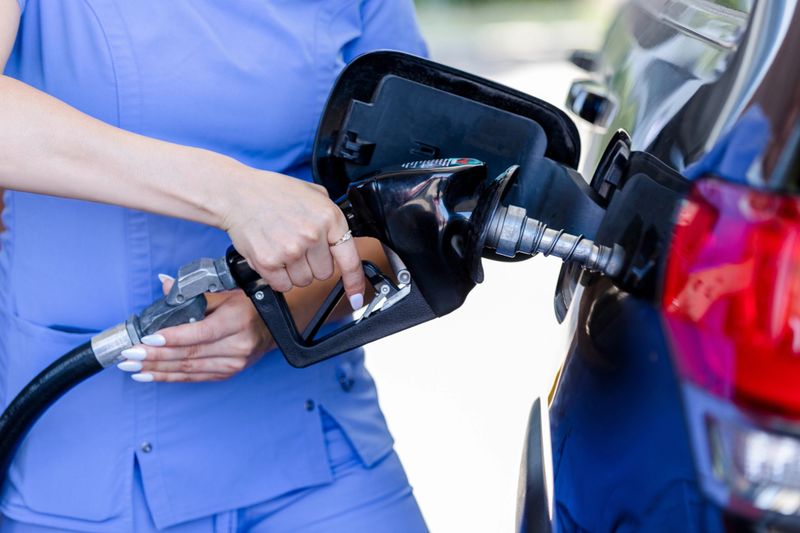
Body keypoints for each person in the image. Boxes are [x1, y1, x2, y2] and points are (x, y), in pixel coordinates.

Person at [0, 1, 428, 531]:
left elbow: (414, 209)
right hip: (85, 460)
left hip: (316, 450)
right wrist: (230, 192)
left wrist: (277, 315)